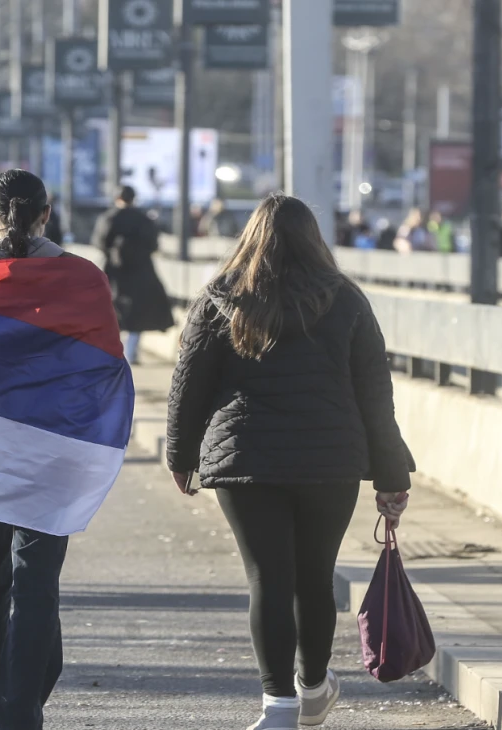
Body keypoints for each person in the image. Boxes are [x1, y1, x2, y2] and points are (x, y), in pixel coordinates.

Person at [165, 193, 413, 730]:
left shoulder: (221, 298)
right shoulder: (345, 300)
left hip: (245, 458)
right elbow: (375, 394)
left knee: (267, 579)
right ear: (313, 238)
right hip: (330, 460)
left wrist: (180, 455)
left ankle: (278, 705)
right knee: (314, 578)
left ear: (250, 237)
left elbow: (189, 384)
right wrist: (392, 476)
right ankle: (314, 688)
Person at [0, 169, 72, 730]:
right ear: (48, 215)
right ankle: (21, 705)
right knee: (38, 575)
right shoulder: (76, 278)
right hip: (49, 444)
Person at [90, 186, 176, 365]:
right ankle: (132, 352)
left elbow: (99, 242)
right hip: (141, 271)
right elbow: (153, 244)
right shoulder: (143, 218)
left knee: (113, 311)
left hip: (115, 271)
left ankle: (112, 350)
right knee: (138, 312)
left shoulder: (109, 218)